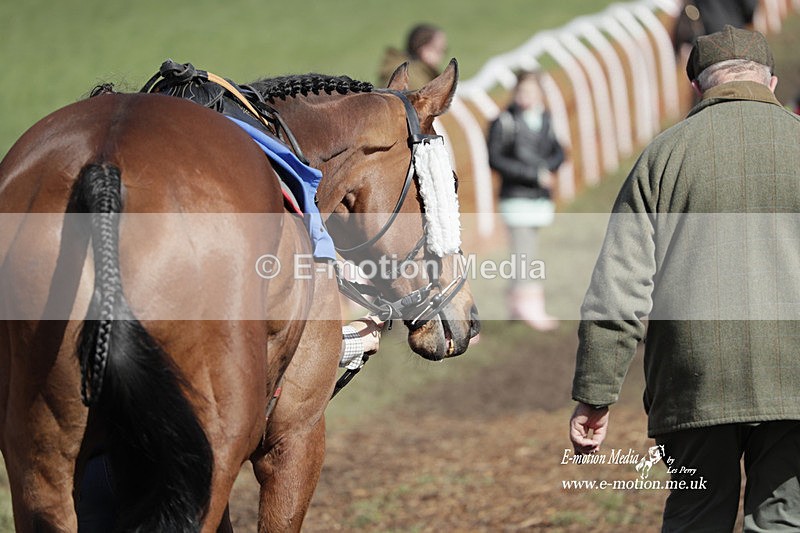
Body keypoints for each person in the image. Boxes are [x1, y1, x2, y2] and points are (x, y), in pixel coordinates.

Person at [569, 26, 800, 531]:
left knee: (696, 518)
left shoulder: (662, 157)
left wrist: (596, 392)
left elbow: (619, 286)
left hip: (694, 379)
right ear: (773, 82)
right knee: (785, 520)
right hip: (795, 376)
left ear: (697, 86)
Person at [487, 70, 564, 331]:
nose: (525, 97)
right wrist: (534, 174)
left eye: (530, 92)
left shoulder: (545, 117)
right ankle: (529, 306)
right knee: (524, 254)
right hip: (516, 199)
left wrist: (550, 168)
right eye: (521, 91)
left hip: (538, 200)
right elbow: (495, 159)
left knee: (527, 253)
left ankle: (517, 305)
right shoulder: (504, 121)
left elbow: (557, 149)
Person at [377, 23, 448, 89]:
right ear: (424, 50)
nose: (442, 56)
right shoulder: (411, 80)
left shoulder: (417, 72)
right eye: (440, 50)